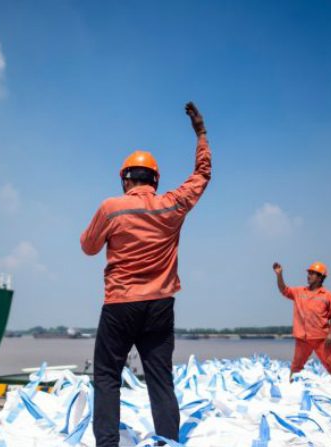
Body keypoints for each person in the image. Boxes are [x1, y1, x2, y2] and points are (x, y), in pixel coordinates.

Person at [80, 102, 211, 446]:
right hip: (159, 306)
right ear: (154, 178)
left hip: (120, 305)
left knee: (107, 376)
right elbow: (201, 176)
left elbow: (88, 247)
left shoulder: (111, 208)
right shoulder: (172, 205)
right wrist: (200, 133)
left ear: (124, 179)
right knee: (160, 379)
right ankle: (168, 441)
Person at [272, 261, 331, 379]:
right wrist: (279, 275)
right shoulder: (299, 292)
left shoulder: (328, 296)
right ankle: (291, 387)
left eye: (313, 274)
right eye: (309, 273)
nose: (309, 276)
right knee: (296, 367)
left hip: (321, 338)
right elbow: (284, 290)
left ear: (321, 278)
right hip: (302, 338)